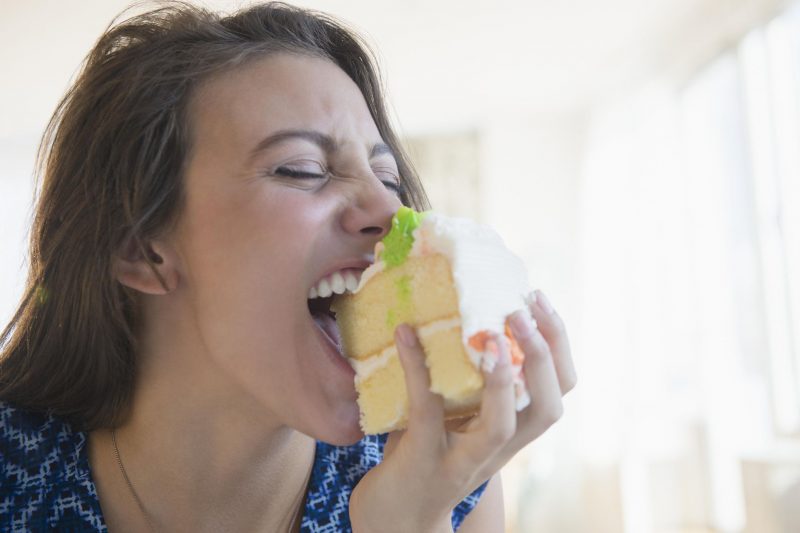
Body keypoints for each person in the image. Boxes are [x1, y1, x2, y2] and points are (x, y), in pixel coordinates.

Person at [0, 1, 576, 531]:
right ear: (139, 247)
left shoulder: (442, 484)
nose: (394, 212)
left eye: (389, 177)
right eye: (301, 169)